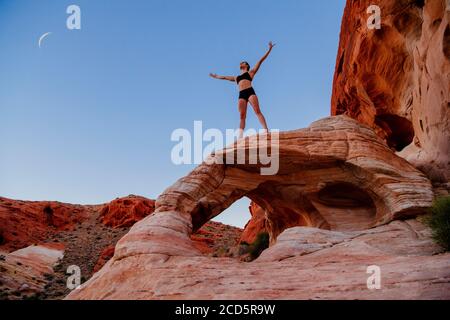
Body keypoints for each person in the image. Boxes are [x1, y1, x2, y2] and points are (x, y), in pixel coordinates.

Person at [210, 41, 275, 139]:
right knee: (242, 116)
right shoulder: (236, 77)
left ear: (246, 66)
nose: (240, 63)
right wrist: (216, 76)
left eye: (243, 62)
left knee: (257, 111)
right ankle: (240, 137)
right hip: (241, 94)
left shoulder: (251, 72)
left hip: (250, 91)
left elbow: (261, 60)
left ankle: (266, 130)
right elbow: (225, 78)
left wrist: (269, 50)